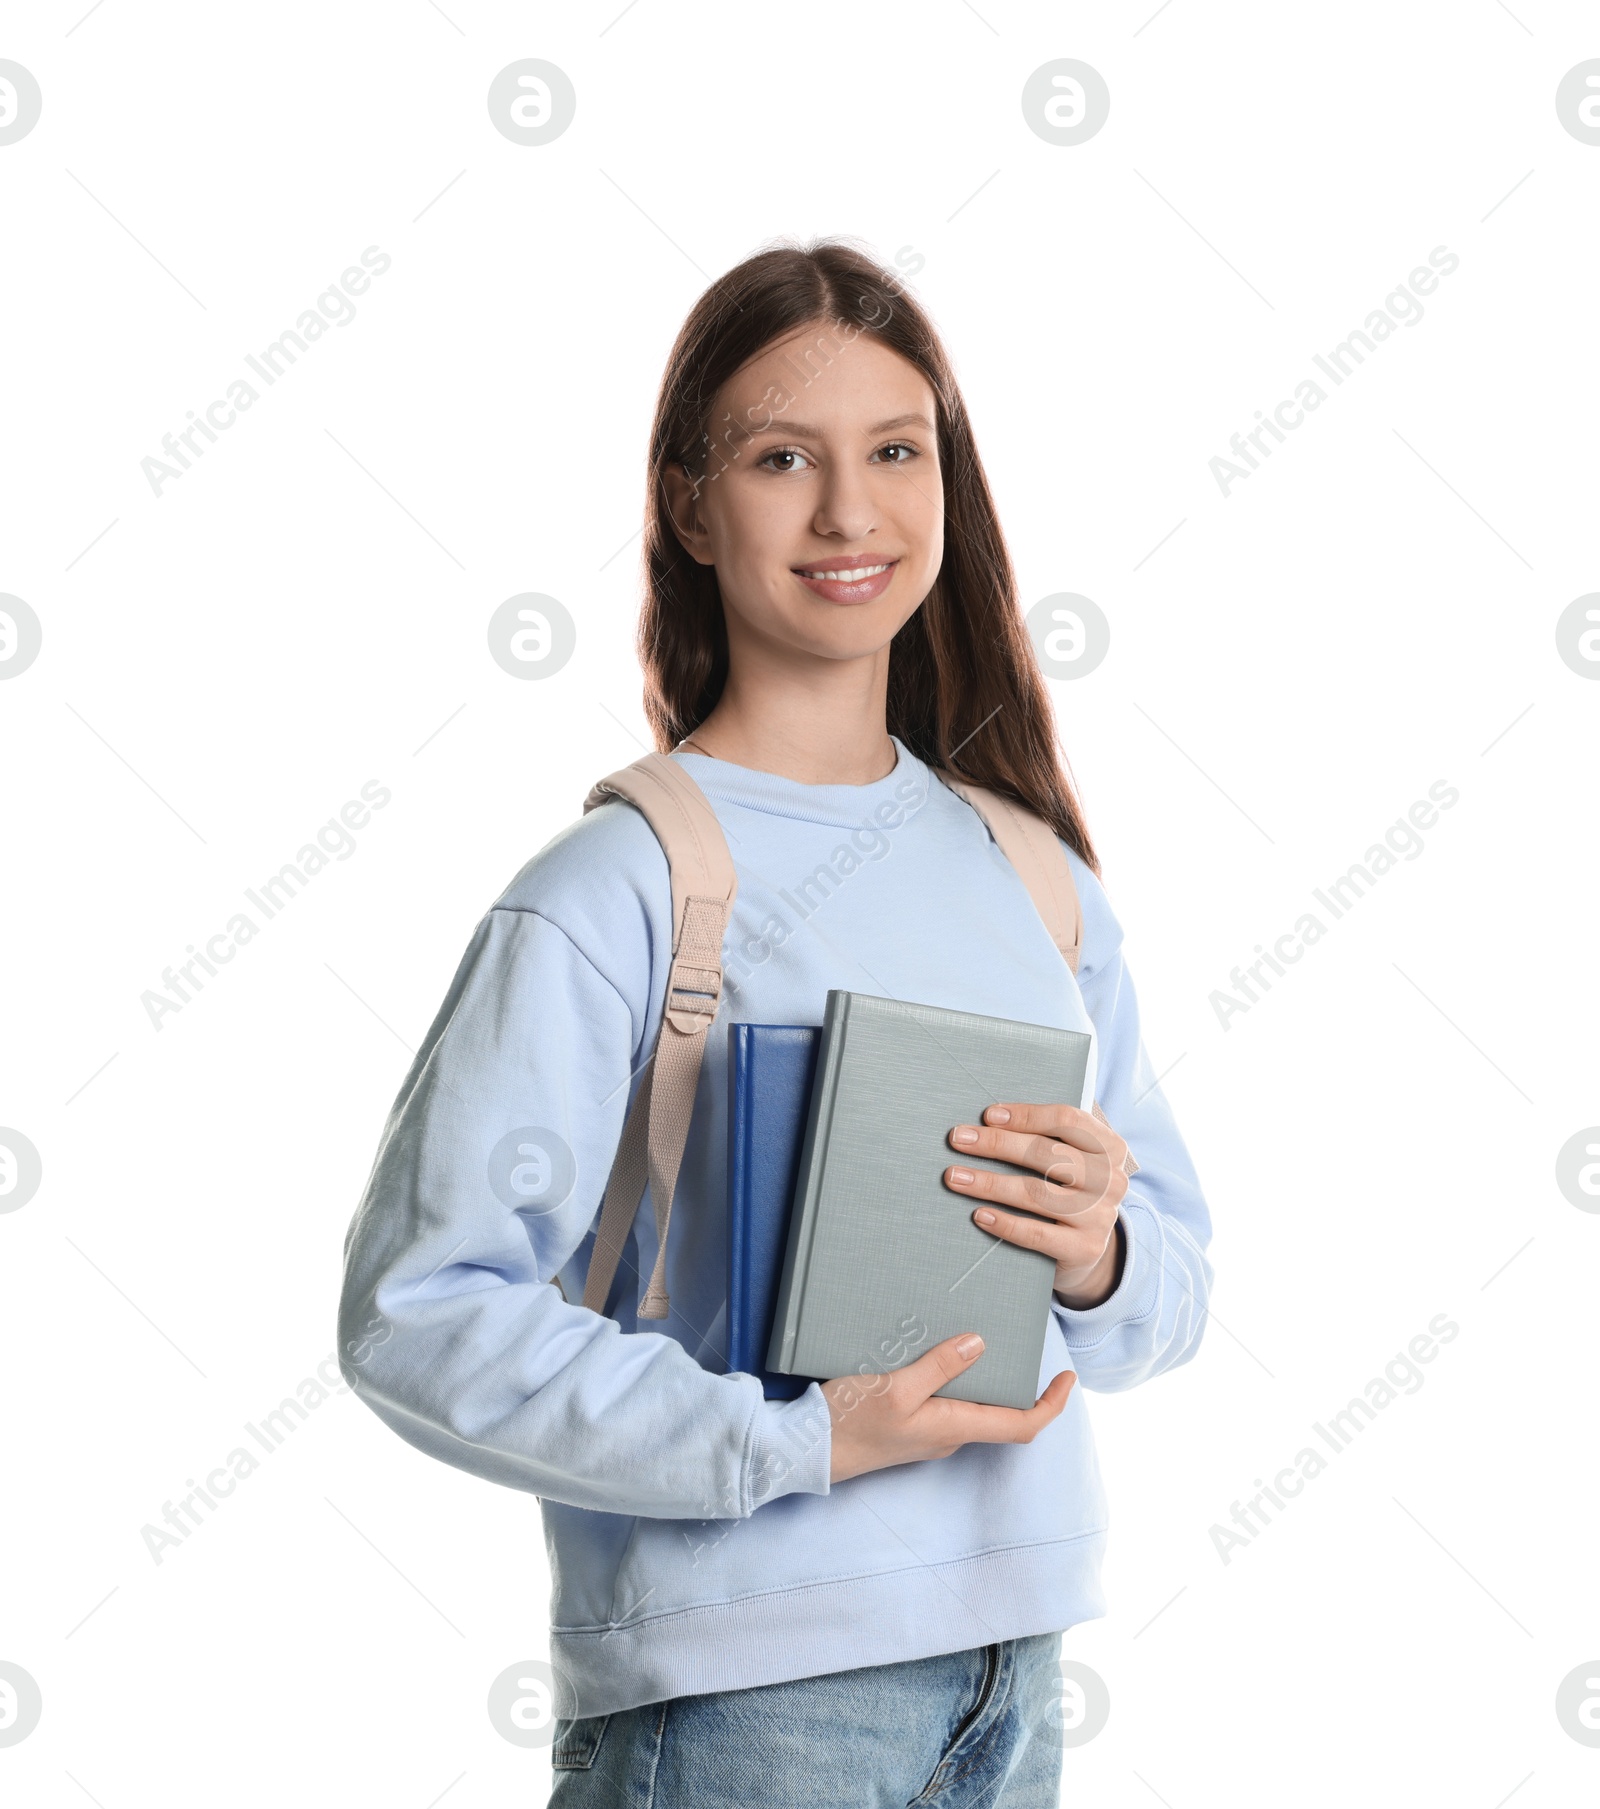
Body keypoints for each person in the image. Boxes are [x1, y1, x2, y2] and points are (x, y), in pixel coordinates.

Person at [337, 237, 1214, 1808]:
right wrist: (793, 1445)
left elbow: (1172, 1282)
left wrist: (1098, 1249)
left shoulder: (1036, 872)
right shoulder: (620, 889)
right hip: (745, 1706)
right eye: (779, 458)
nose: (848, 512)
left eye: (894, 451)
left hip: (1016, 1674)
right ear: (689, 504)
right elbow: (419, 1312)